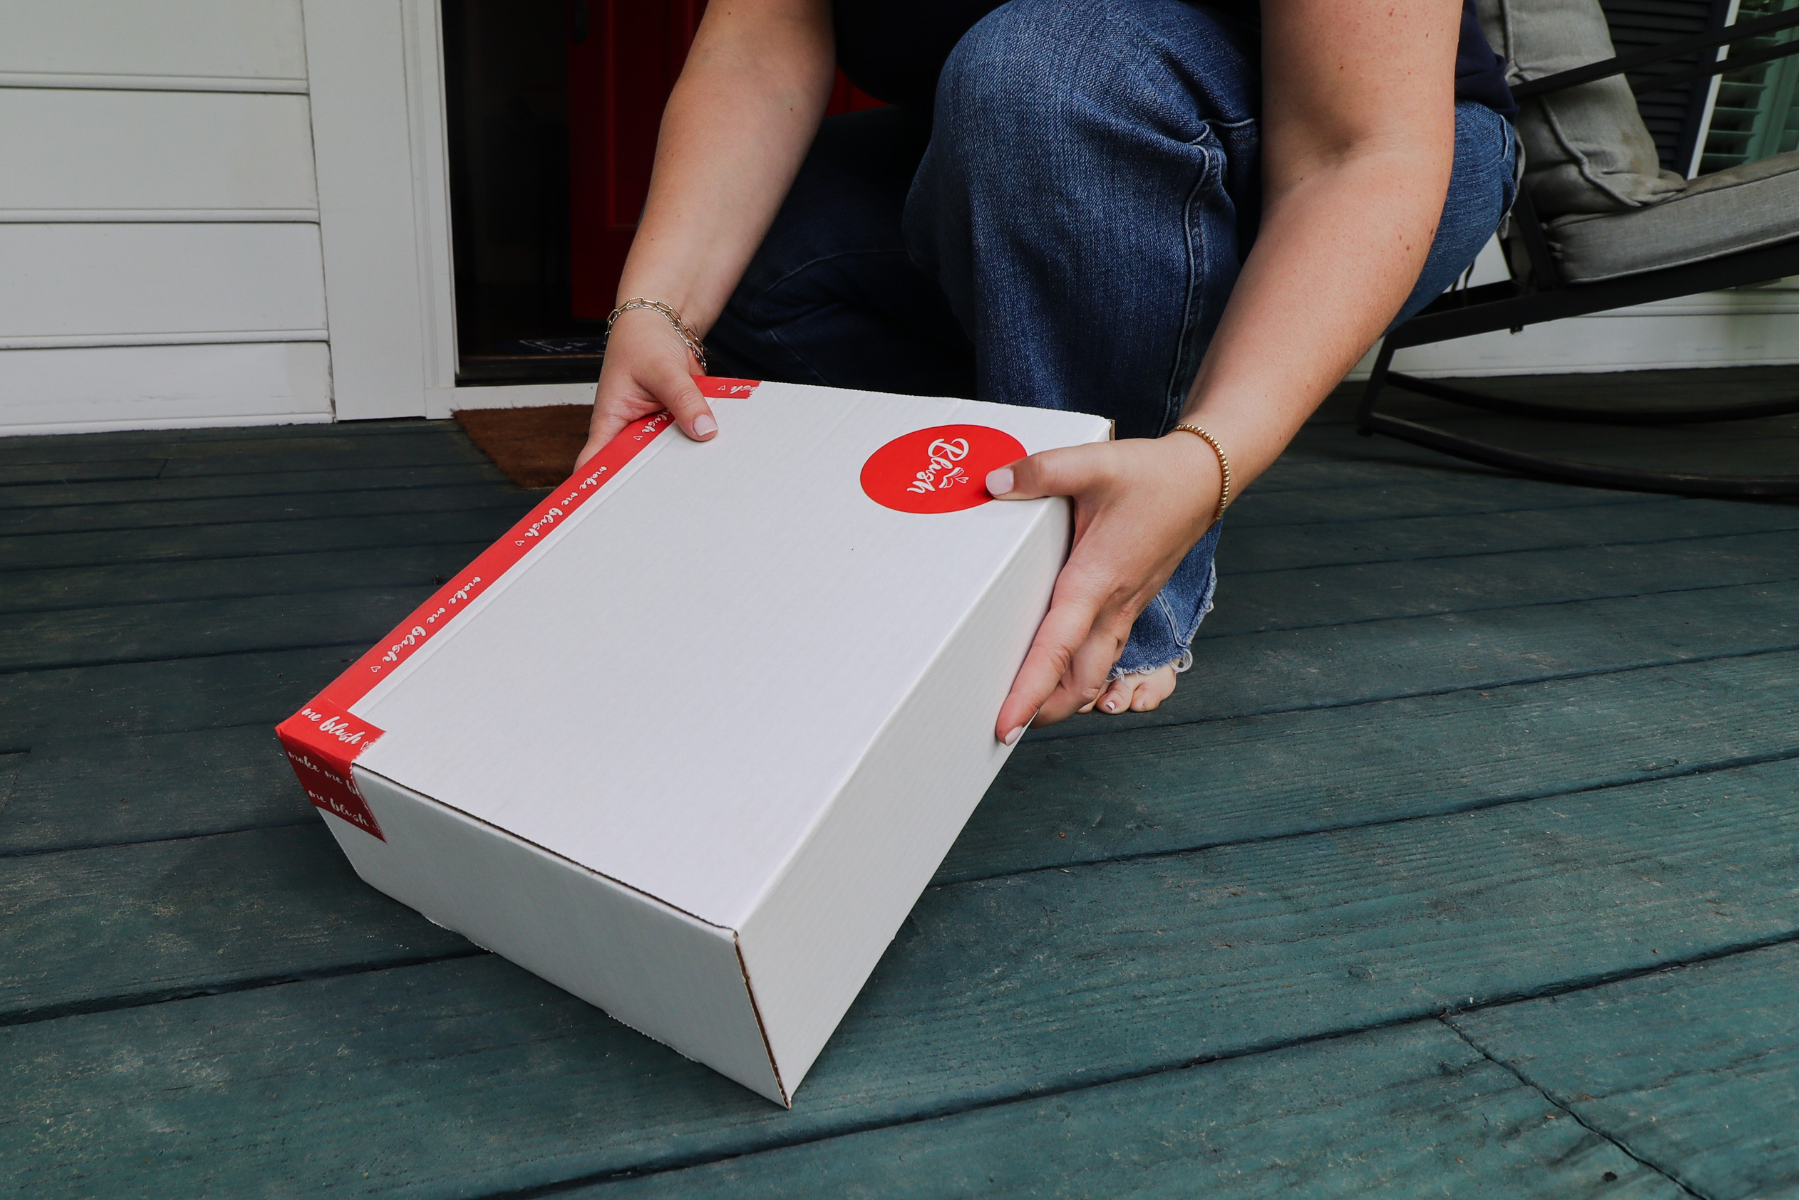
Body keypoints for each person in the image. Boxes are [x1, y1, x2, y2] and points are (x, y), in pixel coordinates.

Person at [577, 0, 1516, 744]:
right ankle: (1036, 441)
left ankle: (1129, 597)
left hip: (1363, 156)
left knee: (1045, 76)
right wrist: (658, 308)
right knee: (760, 261)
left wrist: (1211, 454)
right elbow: (756, 46)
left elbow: (1361, 150)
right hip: (1034, 132)